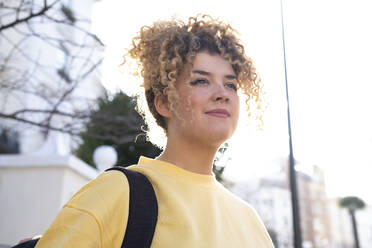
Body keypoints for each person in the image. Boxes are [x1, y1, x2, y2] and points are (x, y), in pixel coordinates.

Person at [35, 14, 273, 247]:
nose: (223, 93)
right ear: (164, 102)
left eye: (230, 84)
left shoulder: (250, 220)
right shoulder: (117, 194)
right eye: (201, 80)